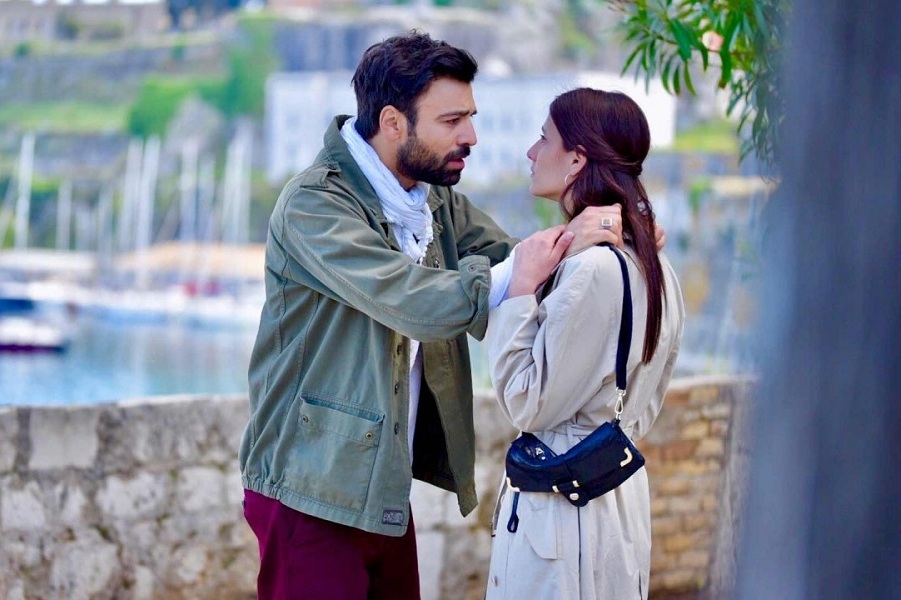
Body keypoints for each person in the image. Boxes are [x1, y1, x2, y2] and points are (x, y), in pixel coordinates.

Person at [238, 33, 624, 599]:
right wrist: (535, 261)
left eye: (470, 117)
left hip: (380, 484)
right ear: (393, 122)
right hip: (307, 487)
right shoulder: (314, 205)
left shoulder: (431, 198)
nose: (471, 136)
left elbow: (515, 261)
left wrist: (611, 240)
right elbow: (412, 298)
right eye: (452, 120)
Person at [485, 88, 686, 600]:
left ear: (576, 159)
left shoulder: (592, 270)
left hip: (564, 517)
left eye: (544, 139)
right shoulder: (657, 267)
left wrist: (520, 289)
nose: (532, 152)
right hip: (613, 500)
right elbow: (647, 399)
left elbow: (525, 402)